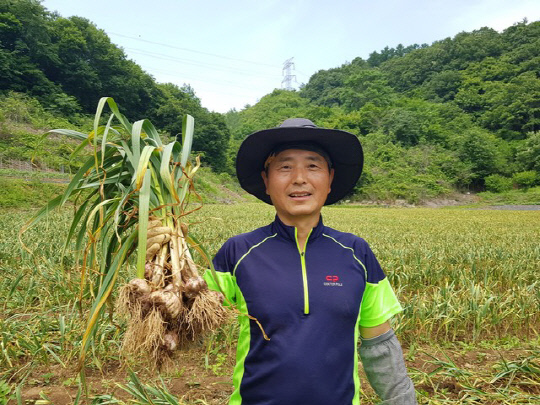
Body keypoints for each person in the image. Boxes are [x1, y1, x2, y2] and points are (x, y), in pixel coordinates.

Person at [203, 118, 417, 405]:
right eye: (285, 167)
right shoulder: (237, 252)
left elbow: (379, 345)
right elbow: (187, 317)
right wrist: (160, 261)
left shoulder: (356, 252)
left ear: (330, 180)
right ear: (266, 181)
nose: (299, 178)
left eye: (313, 166)